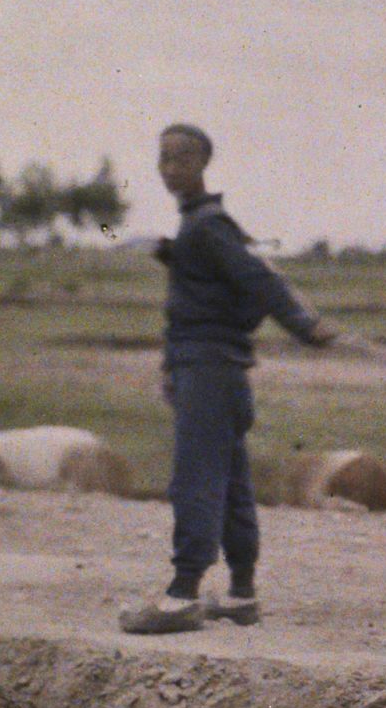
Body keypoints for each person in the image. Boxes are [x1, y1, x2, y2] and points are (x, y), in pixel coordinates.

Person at [119, 123, 338, 635]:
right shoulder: (200, 227)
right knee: (233, 482)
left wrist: (305, 326)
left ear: (203, 163)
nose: (171, 168)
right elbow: (217, 284)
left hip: (209, 374)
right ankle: (241, 594)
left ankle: (181, 595)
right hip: (220, 371)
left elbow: (259, 279)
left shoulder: (208, 226)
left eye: (182, 158)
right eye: (164, 158)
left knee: (195, 478)